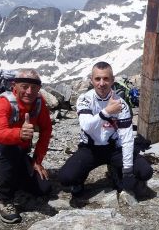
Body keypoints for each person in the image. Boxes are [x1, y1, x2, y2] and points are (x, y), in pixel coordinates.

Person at [58, 61, 153, 199]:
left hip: (113, 148)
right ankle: (79, 181)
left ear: (112, 80)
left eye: (106, 78)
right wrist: (107, 112)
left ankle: (117, 171)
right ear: (92, 80)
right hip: (90, 148)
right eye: (97, 79)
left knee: (145, 172)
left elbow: (126, 138)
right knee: (66, 177)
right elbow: (87, 126)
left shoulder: (122, 104)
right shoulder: (84, 99)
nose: (102, 83)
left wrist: (127, 171)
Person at [0, 68, 52, 224]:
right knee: (11, 149)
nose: (29, 91)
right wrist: (19, 134)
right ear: (15, 86)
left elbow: (46, 128)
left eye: (34, 88)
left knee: (43, 188)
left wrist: (37, 160)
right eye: (24, 87)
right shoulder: (3, 102)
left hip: (19, 153)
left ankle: (9, 174)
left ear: (39, 88)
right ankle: (3, 199)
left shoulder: (38, 103)